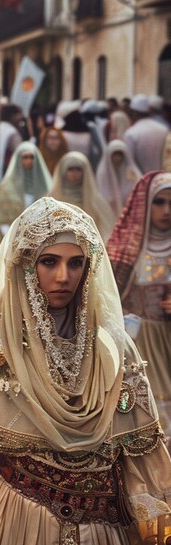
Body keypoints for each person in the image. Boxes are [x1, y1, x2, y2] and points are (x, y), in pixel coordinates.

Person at [0, 197, 171, 545]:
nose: (64, 276)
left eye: (75, 263)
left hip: (103, 538)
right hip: (11, 523)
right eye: (50, 262)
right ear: (26, 266)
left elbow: (141, 451)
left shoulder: (112, 350)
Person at [107, 171, 171, 436]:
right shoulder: (126, 249)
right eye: (159, 202)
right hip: (138, 344)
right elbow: (104, 297)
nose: (167, 210)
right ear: (145, 205)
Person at [0, 142, 52, 248]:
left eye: (31, 157)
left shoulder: (46, 186)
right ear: (18, 159)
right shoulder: (7, 187)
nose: (29, 161)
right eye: (25, 157)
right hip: (14, 240)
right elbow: (2, 220)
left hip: (42, 240)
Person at [49, 151, 115, 241]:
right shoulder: (52, 199)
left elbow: (106, 231)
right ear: (63, 171)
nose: (75, 173)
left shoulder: (96, 201)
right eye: (70, 169)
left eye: (78, 169)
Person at [96, 139, 142, 220]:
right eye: (115, 154)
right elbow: (103, 196)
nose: (117, 158)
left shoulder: (132, 172)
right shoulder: (102, 173)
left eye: (120, 155)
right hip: (109, 215)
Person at [124, 94, 168, 174]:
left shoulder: (132, 133)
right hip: (161, 181)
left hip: (141, 182)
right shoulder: (164, 130)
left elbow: (129, 163)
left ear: (134, 112)